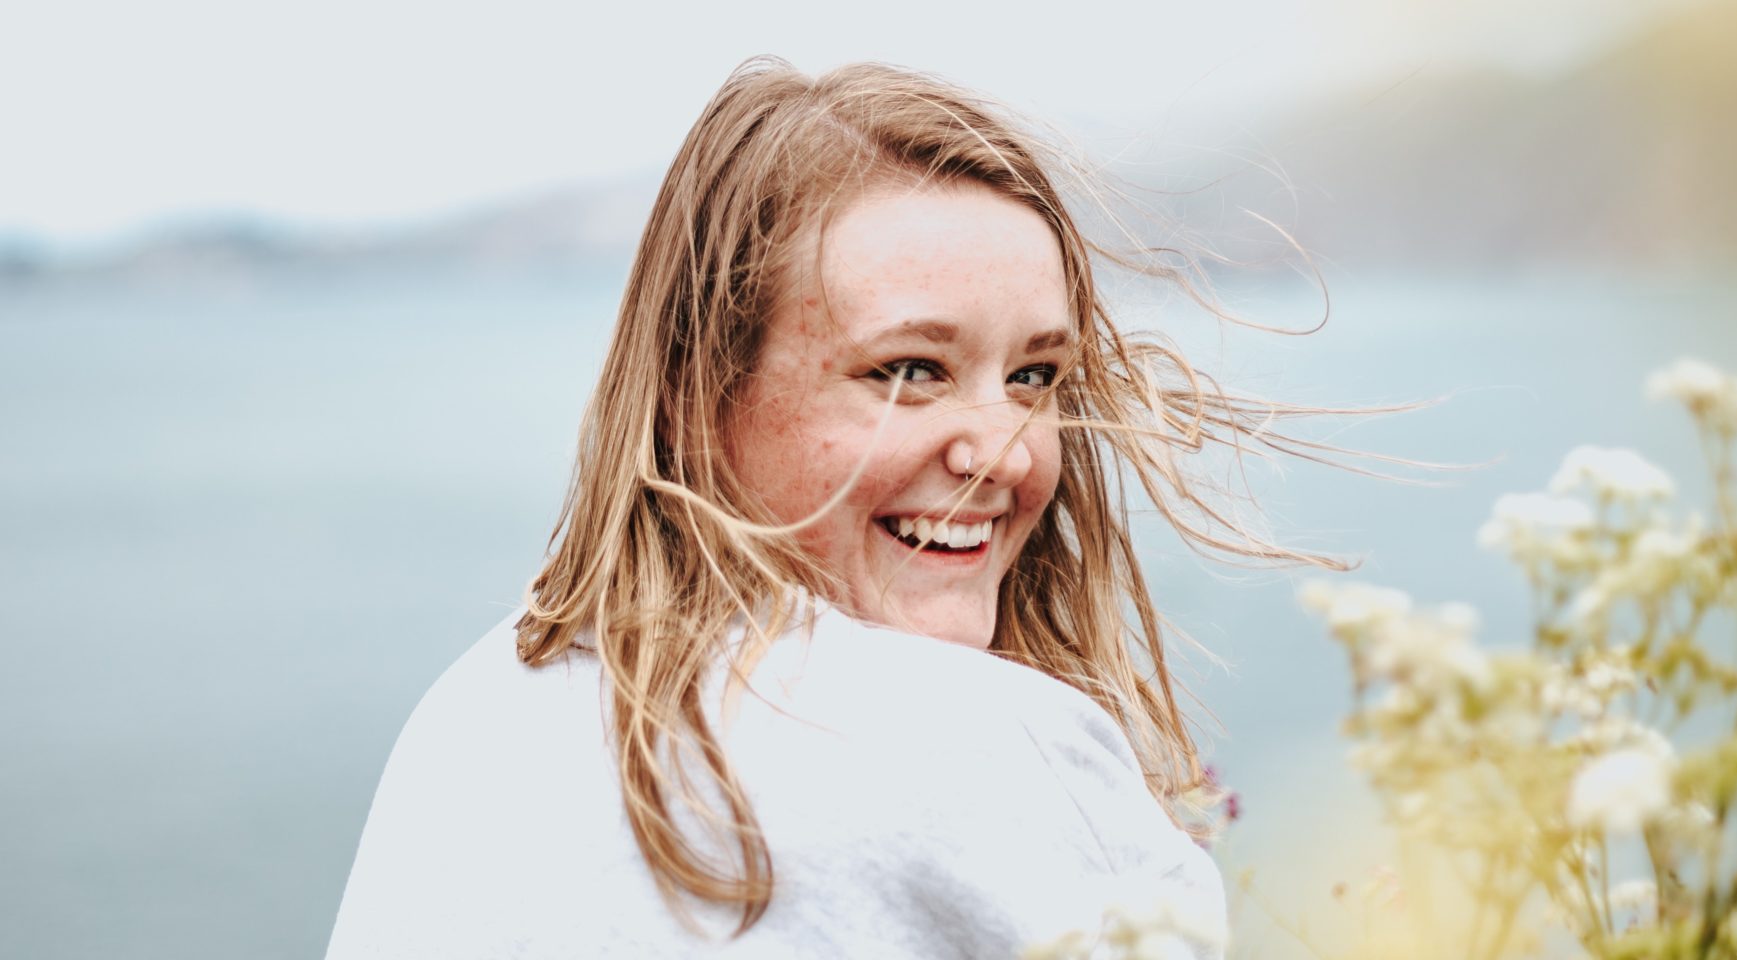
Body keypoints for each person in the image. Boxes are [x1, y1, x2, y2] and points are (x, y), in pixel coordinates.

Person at [327, 57, 1330, 959]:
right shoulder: (984, 747)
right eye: (907, 371)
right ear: (696, 393)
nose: (1006, 451)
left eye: (1034, 376)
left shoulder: (484, 699)